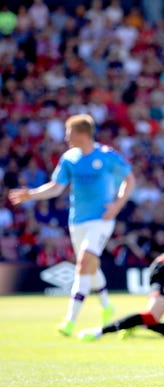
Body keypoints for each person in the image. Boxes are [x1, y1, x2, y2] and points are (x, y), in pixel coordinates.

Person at [9, 114, 135, 336]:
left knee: (83, 263)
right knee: (90, 265)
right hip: (77, 220)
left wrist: (117, 205)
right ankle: (107, 306)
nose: (66, 137)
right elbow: (57, 187)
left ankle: (70, 320)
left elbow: (130, 179)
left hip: (101, 219)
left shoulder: (106, 156)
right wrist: (32, 194)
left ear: (82, 133)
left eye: (69, 132)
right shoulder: (69, 158)